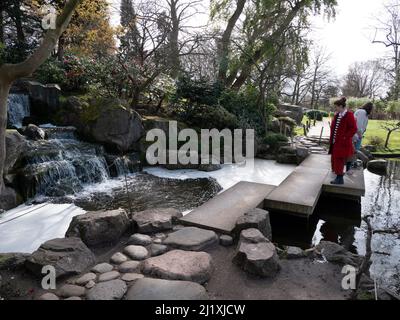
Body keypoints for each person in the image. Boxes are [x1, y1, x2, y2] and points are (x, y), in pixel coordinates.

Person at [329, 97, 357, 185]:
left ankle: (339, 178)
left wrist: (345, 137)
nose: (335, 109)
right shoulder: (338, 115)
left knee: (339, 160)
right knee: (336, 160)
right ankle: (338, 177)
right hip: (335, 142)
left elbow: (353, 128)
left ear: (341, 106)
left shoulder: (349, 115)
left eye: (336, 107)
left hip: (343, 143)